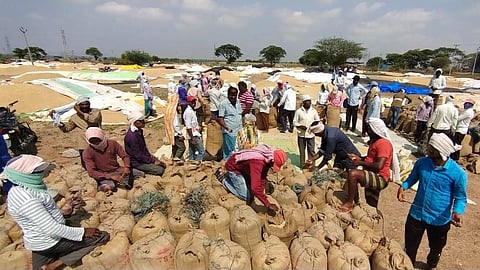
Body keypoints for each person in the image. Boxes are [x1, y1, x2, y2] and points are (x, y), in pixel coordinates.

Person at [3, 155, 109, 270]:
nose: (41, 173)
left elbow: (41, 216)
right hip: (51, 241)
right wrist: (83, 232)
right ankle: (57, 264)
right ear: (23, 175)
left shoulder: (21, 189)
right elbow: (52, 229)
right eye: (36, 171)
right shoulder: (27, 199)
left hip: (38, 243)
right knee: (101, 236)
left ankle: (52, 257)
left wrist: (67, 209)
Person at [397, 133, 466, 269]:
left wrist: (457, 212)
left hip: (439, 220)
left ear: (441, 151)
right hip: (416, 214)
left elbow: (460, 197)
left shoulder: (458, 173)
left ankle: (431, 264)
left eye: (431, 147)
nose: (428, 149)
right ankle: (408, 265)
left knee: (436, 248)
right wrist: (403, 186)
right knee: (410, 247)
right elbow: (412, 178)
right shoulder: (422, 163)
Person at [339, 118, 400, 212]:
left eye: (369, 129)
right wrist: (359, 158)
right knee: (371, 204)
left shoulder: (383, 144)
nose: (367, 131)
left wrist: (360, 163)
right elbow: (371, 159)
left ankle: (350, 203)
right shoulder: (375, 142)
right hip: (372, 174)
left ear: (375, 130)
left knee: (353, 174)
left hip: (380, 177)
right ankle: (371, 216)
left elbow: (379, 165)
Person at [221, 145, 287, 215]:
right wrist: (267, 204)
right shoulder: (257, 163)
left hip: (244, 169)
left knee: (254, 188)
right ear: (272, 160)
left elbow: (263, 175)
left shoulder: (268, 157)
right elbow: (255, 188)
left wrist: (261, 190)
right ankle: (224, 179)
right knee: (245, 196)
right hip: (233, 168)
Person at [83, 127, 139, 192]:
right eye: (93, 141)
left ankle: (119, 181)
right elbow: (91, 172)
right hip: (103, 174)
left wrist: (127, 166)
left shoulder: (113, 144)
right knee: (110, 186)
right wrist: (110, 176)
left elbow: (125, 156)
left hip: (117, 169)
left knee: (139, 174)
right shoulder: (87, 152)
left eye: (98, 140)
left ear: (102, 137)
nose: (96, 143)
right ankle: (100, 186)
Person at [293, 94, 320, 167]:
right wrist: (300, 126)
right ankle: (303, 165)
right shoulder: (299, 111)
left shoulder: (313, 111)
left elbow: (317, 121)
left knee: (311, 151)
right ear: (303, 102)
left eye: (309, 101)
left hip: (311, 134)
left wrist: (314, 126)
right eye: (307, 101)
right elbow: (294, 122)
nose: (309, 103)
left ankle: (312, 165)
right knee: (302, 151)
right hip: (301, 134)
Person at [217, 86, 243, 160]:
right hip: (229, 131)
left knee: (237, 150)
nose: (233, 97)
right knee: (230, 151)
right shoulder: (223, 104)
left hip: (239, 131)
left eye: (235, 95)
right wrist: (226, 127)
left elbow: (240, 114)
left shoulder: (238, 102)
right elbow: (220, 118)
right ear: (228, 94)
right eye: (231, 94)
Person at [184, 96, 205, 161]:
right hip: (194, 135)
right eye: (192, 102)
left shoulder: (192, 111)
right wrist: (192, 138)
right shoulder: (188, 112)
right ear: (188, 102)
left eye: (194, 101)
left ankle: (191, 165)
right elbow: (188, 126)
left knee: (192, 152)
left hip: (193, 134)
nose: (194, 103)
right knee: (201, 152)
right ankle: (196, 164)